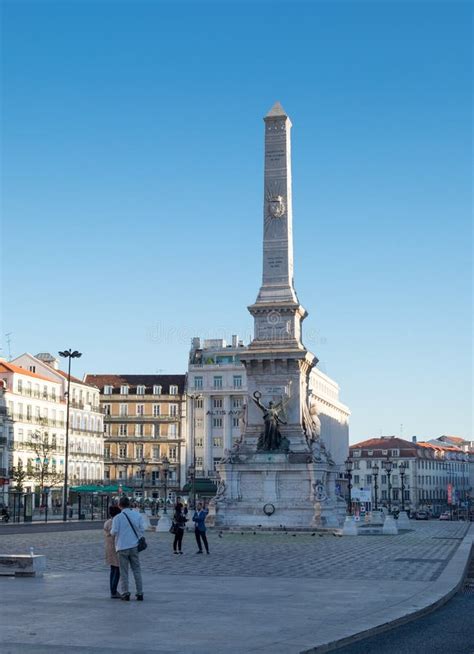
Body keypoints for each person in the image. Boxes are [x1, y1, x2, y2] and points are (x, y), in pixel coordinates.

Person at [111, 496, 147, 601]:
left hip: (122, 547)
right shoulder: (137, 515)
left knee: (124, 571)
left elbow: (114, 532)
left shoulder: (117, 518)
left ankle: (125, 593)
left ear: (119, 505)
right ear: (129, 504)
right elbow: (142, 529)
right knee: (136, 570)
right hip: (134, 546)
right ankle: (140, 593)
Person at [104, 505, 121, 598]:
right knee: (117, 570)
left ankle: (112, 590)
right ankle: (114, 591)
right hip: (115, 547)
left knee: (112, 569)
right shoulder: (115, 522)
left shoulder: (107, 522)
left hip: (108, 548)